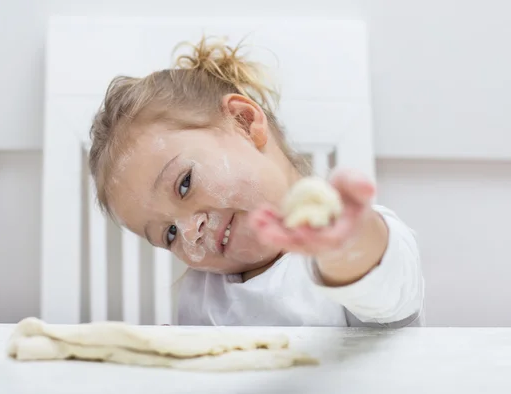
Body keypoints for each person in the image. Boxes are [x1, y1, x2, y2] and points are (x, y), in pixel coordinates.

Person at [88, 37, 425, 327]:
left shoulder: (345, 254)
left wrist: (344, 246)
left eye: (184, 184)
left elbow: (381, 281)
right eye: (170, 234)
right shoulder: (201, 295)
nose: (190, 233)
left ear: (244, 121)